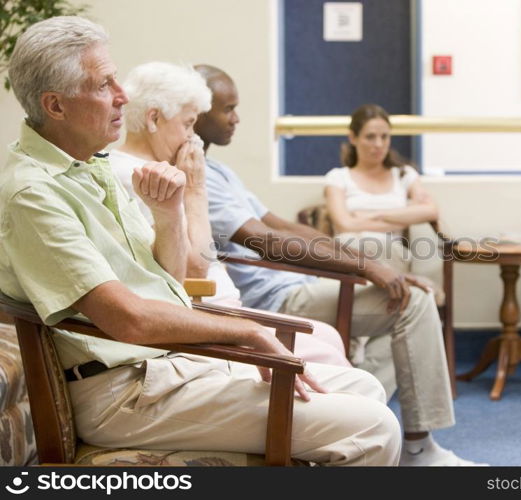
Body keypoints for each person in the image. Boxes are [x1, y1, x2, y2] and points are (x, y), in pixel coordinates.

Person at [0, 16, 401, 466]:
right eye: (103, 84)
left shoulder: (91, 165)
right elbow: (129, 319)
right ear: (55, 106)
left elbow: (169, 284)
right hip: (124, 392)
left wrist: (169, 213)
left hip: (163, 366)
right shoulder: (34, 193)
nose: (122, 95)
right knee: (373, 426)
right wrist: (249, 333)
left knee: (367, 388)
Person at [195, 65, 485, 466]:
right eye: (228, 109)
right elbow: (266, 242)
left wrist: (356, 261)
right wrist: (365, 266)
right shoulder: (199, 177)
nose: (237, 118)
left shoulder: (219, 171)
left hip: (293, 286)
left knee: (406, 296)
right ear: (196, 112)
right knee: (413, 304)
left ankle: (390, 429)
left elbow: (278, 223)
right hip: (272, 300)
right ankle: (418, 450)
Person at [110, 61, 349, 367]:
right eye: (187, 124)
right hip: (199, 321)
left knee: (328, 337)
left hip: (219, 311)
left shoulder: (160, 169)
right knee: (328, 354)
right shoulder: (141, 177)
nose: (192, 138)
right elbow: (196, 269)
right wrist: (195, 190)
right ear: (154, 118)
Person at [324, 103, 439, 275]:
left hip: (391, 252)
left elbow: (430, 211)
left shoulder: (404, 175)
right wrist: (402, 217)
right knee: (350, 241)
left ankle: (394, 283)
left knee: (373, 245)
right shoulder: (337, 177)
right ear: (353, 138)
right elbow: (345, 224)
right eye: (370, 137)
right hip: (349, 253)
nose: (378, 144)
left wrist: (373, 215)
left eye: (384, 137)